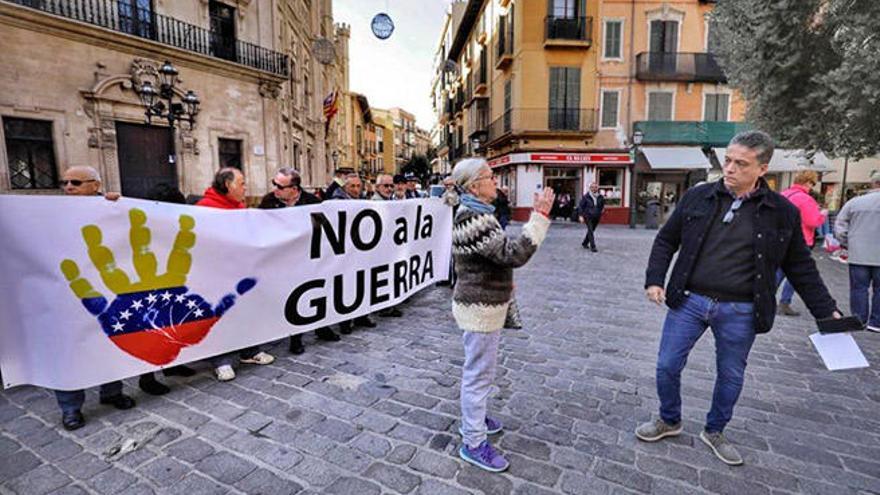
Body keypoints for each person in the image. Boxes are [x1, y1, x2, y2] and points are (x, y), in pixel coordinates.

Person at [637, 131, 840, 466]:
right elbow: (666, 240)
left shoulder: (782, 212)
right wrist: (654, 280)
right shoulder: (699, 196)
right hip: (689, 300)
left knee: (730, 375)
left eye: (740, 163)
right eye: (727, 160)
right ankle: (669, 419)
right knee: (666, 365)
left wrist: (826, 310)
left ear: (762, 168)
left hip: (741, 309)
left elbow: (800, 267)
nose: (729, 168)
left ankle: (715, 430)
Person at [450, 158, 554, 472]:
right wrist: (539, 217)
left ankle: (475, 419)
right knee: (478, 376)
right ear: (473, 186)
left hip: (484, 306)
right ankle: (473, 442)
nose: (496, 182)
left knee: (481, 373)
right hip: (478, 309)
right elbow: (513, 253)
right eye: (490, 177)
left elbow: (495, 260)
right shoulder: (475, 218)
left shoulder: (480, 212)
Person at [55, 166, 135, 430]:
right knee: (68, 351)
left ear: (94, 184)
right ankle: (70, 408)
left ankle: (112, 392)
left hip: (104, 287)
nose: (68, 187)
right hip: (67, 292)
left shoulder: (108, 207)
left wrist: (117, 204)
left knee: (108, 341)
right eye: (64, 182)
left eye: (75, 182)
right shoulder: (49, 212)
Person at [196, 168, 275, 381]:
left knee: (246, 312)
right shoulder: (205, 209)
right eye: (241, 183)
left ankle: (249, 351)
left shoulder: (240, 207)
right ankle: (220, 360)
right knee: (219, 316)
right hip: (216, 275)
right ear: (228, 186)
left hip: (241, 272)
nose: (245, 187)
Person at [258, 167, 340, 354]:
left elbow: (324, 228)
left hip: (308, 258)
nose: (275, 189)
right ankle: (296, 336)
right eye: (274, 184)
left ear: (294, 188)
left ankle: (322, 327)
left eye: (280, 186)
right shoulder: (269, 202)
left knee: (317, 292)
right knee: (292, 297)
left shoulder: (312, 202)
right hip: (281, 260)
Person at [136, 183, 198, 395]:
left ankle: (173, 364)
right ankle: (147, 376)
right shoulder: (142, 224)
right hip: (151, 283)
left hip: (175, 280)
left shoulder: (177, 221)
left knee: (175, 324)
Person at [330, 173, 378, 331]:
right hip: (345, 251)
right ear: (345, 187)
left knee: (362, 283)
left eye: (358, 186)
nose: (356, 189)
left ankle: (361, 316)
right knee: (346, 286)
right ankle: (345, 321)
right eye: (352, 186)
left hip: (361, 249)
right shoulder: (337, 202)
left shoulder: (362, 200)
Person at [777, 170, 827, 316]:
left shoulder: (783, 195)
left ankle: (762, 299)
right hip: (799, 240)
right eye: (812, 183)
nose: (812, 187)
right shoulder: (806, 199)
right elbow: (813, 221)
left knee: (777, 271)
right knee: (795, 273)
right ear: (808, 182)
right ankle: (784, 302)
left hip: (780, 238)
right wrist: (822, 215)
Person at [835, 170, 880, 332]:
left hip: (859, 253)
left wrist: (847, 243)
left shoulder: (855, 202)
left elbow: (840, 226)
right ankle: (876, 322)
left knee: (858, 288)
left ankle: (859, 319)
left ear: (874, 183)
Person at [371, 174, 404, 317]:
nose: (390, 189)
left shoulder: (390, 201)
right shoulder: (375, 203)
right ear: (377, 187)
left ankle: (388, 305)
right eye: (386, 186)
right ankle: (384, 306)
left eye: (391, 185)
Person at [577, 182, 605, 252]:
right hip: (588, 216)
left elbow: (602, 206)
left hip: (596, 216)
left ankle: (585, 243)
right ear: (590, 188)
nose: (594, 189)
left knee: (592, 230)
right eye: (592, 187)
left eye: (595, 187)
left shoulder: (600, 197)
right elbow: (581, 206)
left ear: (597, 188)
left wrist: (601, 211)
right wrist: (581, 216)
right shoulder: (586, 197)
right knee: (590, 230)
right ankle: (593, 246)